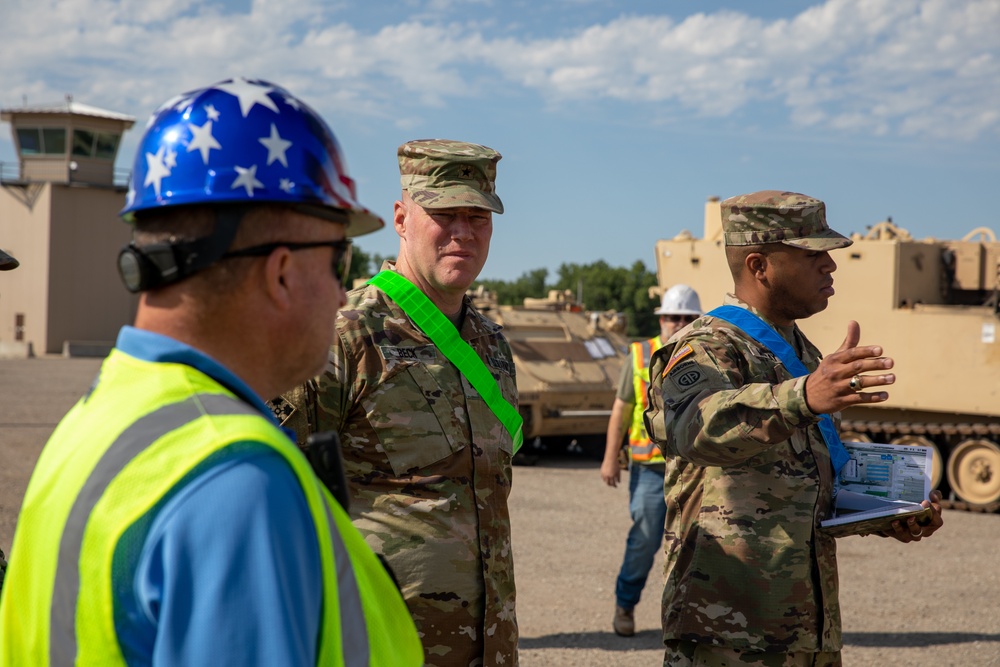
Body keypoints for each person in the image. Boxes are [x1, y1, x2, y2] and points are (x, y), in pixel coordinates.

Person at [0, 78, 422, 666]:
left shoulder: (93, 425)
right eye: (337, 261)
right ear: (280, 273)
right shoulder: (236, 477)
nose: (341, 294)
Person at [644, 190, 944, 667]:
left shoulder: (802, 354)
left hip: (806, 628)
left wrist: (884, 512)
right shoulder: (707, 346)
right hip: (728, 630)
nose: (831, 265)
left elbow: (799, 483)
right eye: (812, 253)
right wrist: (803, 396)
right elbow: (692, 427)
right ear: (759, 266)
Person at [276, 139, 519, 666]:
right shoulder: (344, 336)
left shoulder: (492, 347)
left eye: (477, 216)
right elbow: (273, 496)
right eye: (443, 213)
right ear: (401, 218)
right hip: (381, 645)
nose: (463, 232)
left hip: (490, 646)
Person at [599, 284, 702, 637]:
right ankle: (625, 606)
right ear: (661, 319)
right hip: (648, 468)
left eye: (687, 317)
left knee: (696, 544)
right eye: (672, 316)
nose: (678, 323)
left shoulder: (709, 356)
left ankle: (687, 620)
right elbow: (621, 408)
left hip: (694, 468)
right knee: (644, 539)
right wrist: (610, 457)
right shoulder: (640, 355)